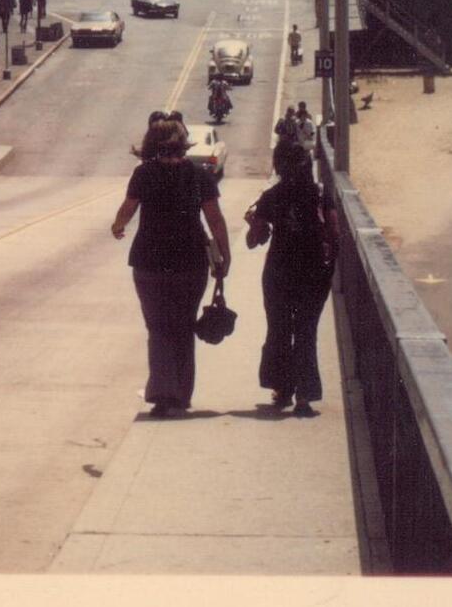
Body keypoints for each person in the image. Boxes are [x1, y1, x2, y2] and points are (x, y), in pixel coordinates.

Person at [110, 118, 232, 418]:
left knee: (159, 328)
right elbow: (215, 219)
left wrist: (118, 225)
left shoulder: (143, 174)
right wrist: (224, 255)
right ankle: (180, 395)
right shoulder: (199, 175)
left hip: (149, 262)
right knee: (183, 328)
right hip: (190, 262)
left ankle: (163, 395)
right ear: (183, 144)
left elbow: (128, 208)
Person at [245, 138, 338, 416]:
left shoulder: (272, 196)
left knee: (280, 329)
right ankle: (305, 396)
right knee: (307, 332)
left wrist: (254, 224)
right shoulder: (321, 194)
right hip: (314, 272)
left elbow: (254, 240)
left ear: (279, 166)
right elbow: (334, 234)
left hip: (279, 271)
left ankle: (282, 389)